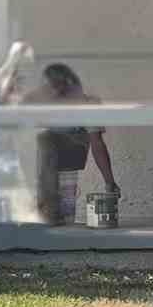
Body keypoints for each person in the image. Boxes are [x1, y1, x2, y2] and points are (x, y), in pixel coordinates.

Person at [31, 61, 119, 225]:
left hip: (73, 150)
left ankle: (50, 213)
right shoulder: (41, 104)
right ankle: (48, 212)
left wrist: (109, 181)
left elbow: (97, 144)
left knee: (45, 140)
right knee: (43, 139)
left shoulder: (88, 104)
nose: (56, 92)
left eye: (60, 87)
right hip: (46, 158)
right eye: (51, 88)